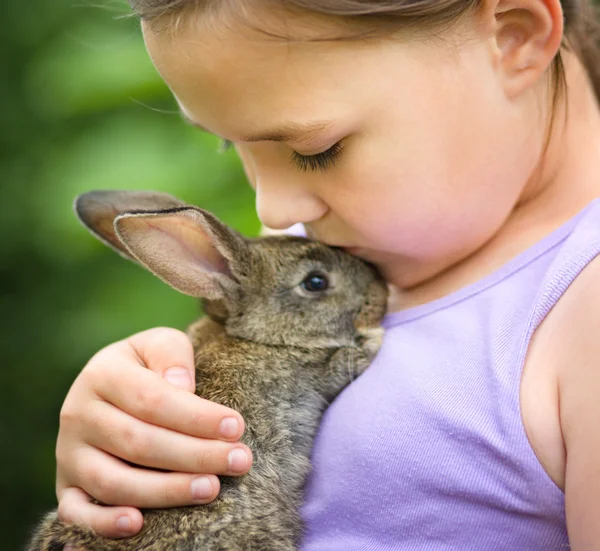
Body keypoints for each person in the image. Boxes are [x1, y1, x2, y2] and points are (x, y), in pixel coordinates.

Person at [54, 0, 600, 548]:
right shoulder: (324, 252)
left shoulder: (583, 313)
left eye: (317, 150)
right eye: (227, 142)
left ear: (514, 39)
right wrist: (131, 425)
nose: (273, 210)